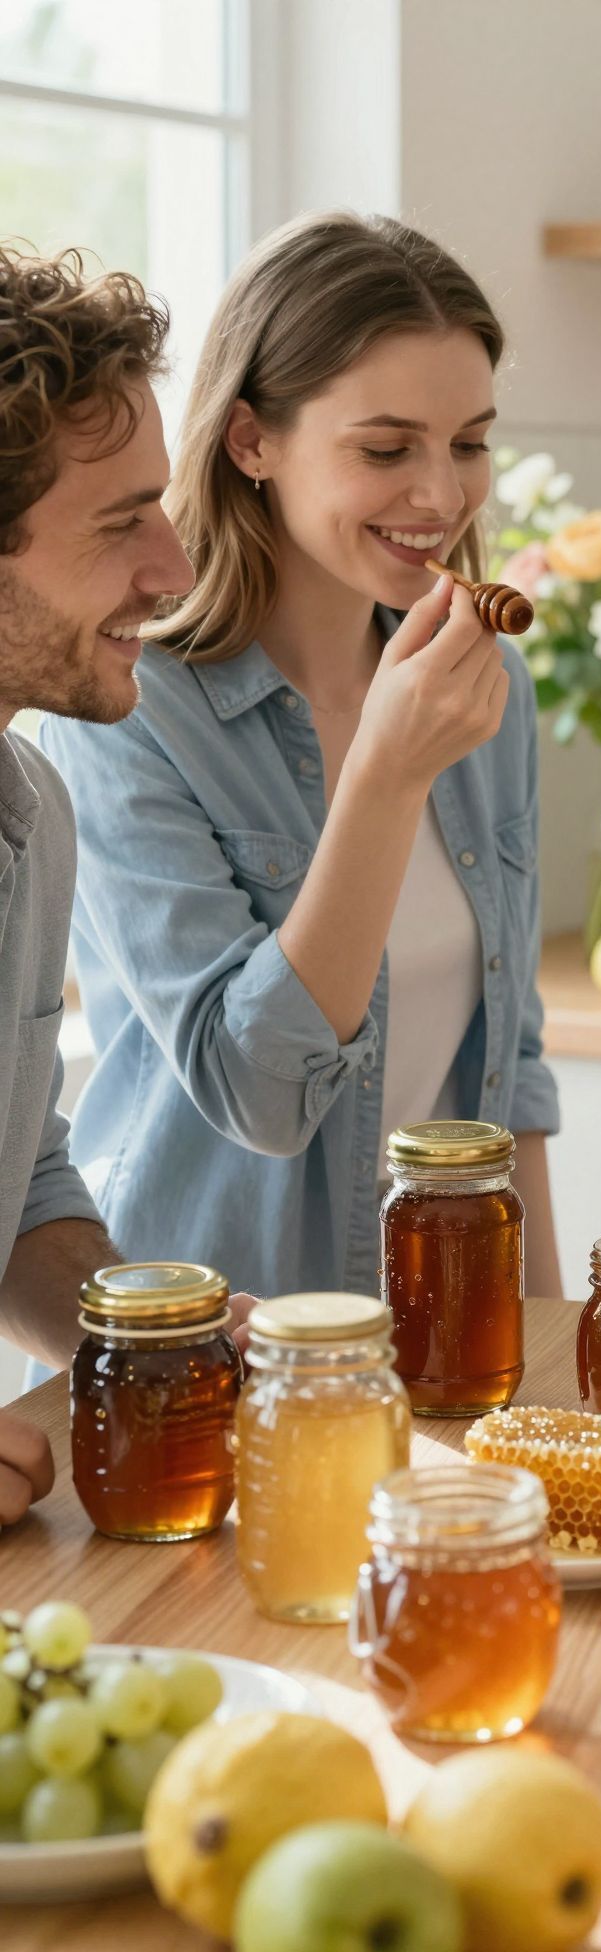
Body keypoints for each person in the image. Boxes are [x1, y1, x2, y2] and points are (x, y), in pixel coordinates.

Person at [42, 213, 560, 1300]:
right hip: (208, 1339)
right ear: (251, 441)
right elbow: (260, 1092)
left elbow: (509, 1074)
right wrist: (383, 775)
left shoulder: (484, 686)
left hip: (440, 1322)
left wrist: (541, 1336)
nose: (443, 495)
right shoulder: (127, 707)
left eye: (468, 442)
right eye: (385, 448)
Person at [0, 246, 188, 1519]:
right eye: (122, 521)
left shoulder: (33, 814)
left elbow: (21, 1181)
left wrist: (149, 1339)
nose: (174, 568)